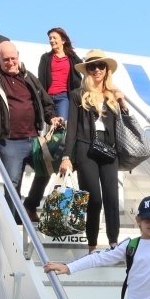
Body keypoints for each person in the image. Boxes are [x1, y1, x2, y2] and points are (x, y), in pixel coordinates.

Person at [0, 41, 64, 222]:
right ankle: (14, 223)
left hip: (34, 139)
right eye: (6, 59)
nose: (10, 62)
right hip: (10, 141)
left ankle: (30, 205)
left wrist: (52, 118)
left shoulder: (29, 77)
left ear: (18, 57)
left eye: (13, 58)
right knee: (13, 182)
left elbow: (46, 102)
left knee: (46, 170)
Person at [61, 49, 129, 252]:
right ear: (87, 70)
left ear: (106, 70)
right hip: (86, 148)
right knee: (94, 198)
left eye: (101, 66)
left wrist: (122, 102)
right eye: (92, 66)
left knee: (111, 197)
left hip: (109, 149)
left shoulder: (113, 94)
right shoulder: (78, 95)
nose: (97, 69)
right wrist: (66, 156)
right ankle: (92, 245)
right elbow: (72, 127)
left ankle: (113, 243)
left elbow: (126, 123)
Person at [37, 27, 82, 120]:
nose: (51, 40)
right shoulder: (45, 58)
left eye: (54, 38)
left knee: (62, 124)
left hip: (63, 97)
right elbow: (41, 79)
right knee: (48, 124)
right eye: (50, 38)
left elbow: (84, 69)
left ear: (63, 40)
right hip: (47, 98)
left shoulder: (72, 58)